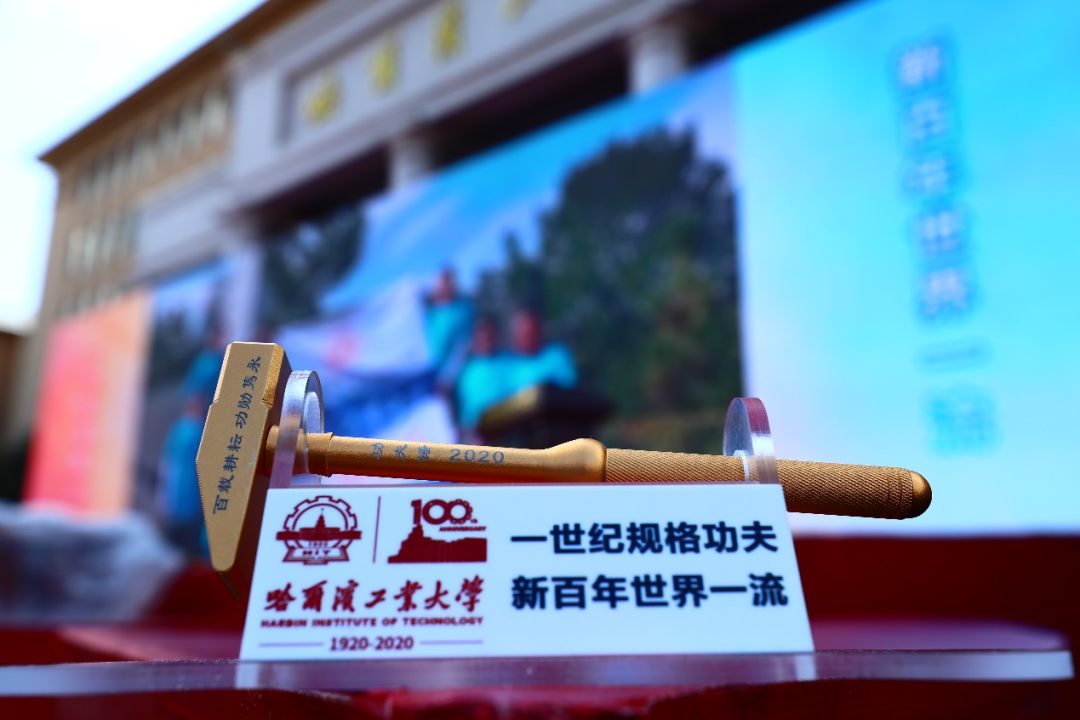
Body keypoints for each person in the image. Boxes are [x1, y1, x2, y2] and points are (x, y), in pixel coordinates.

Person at [504, 308, 577, 396]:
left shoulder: (556, 355)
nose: (527, 338)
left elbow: (569, 387)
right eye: (523, 333)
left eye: (530, 332)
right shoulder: (507, 365)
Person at [455, 317, 509, 431]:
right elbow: (467, 415)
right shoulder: (466, 372)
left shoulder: (509, 360)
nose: (486, 340)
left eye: (489, 336)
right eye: (482, 336)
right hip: (480, 429)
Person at [424, 268, 474, 388]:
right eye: (442, 282)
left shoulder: (465, 309)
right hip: (430, 376)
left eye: (449, 281)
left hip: (457, 377)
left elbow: (465, 344)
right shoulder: (431, 313)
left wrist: (448, 377)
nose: (446, 286)